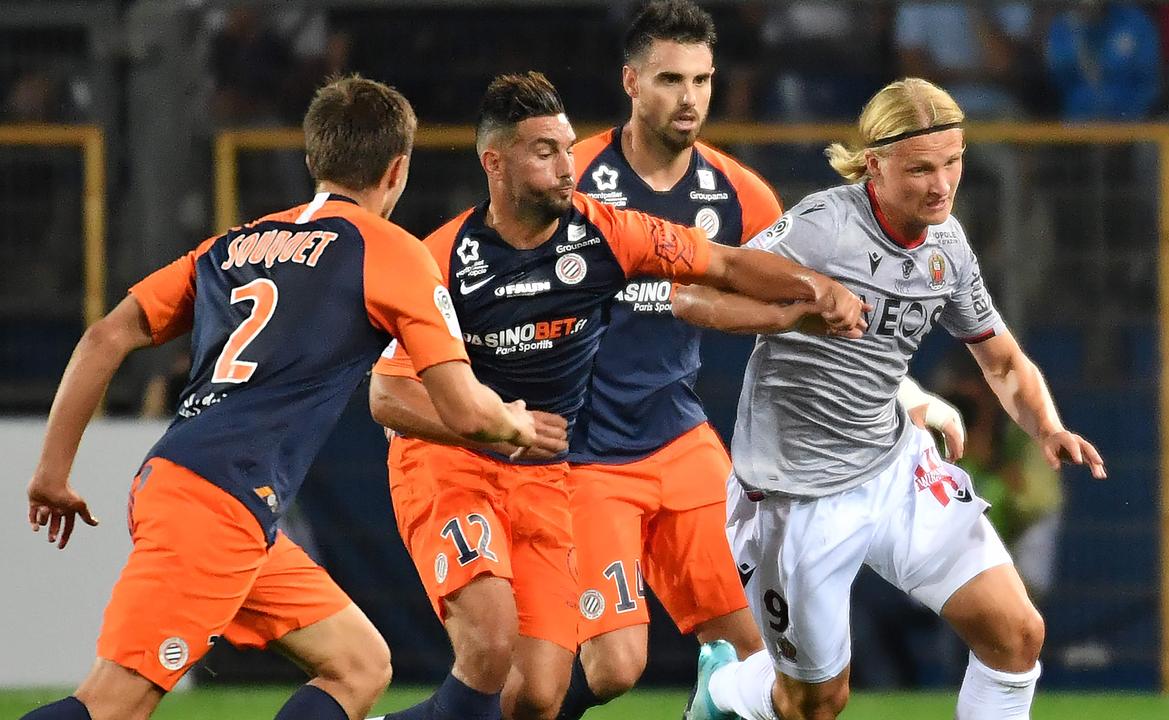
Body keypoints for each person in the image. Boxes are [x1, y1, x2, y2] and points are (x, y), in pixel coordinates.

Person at [20, 75, 538, 720]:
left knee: (359, 664)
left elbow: (106, 335)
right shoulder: (392, 251)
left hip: (199, 486)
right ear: (398, 169)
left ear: (312, 160)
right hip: (218, 501)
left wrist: (51, 473)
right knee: (112, 703)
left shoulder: (232, 244)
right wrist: (516, 423)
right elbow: (464, 409)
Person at [364, 71, 866, 720]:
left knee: (537, 695)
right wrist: (490, 425)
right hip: (450, 464)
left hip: (545, 474)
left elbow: (724, 264)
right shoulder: (442, 258)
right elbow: (387, 397)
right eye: (544, 151)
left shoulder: (605, 232)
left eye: (568, 147)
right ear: (495, 162)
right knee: (491, 645)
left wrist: (812, 290)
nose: (566, 166)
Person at [559, 4, 964, 719]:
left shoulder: (740, 194)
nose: (689, 98)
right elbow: (495, 280)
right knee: (617, 667)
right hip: (585, 453)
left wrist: (910, 397)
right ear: (630, 81)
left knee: (760, 656)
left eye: (703, 80)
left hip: (679, 440)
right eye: (670, 79)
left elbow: (827, 324)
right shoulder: (572, 181)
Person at [681, 78, 1106, 720]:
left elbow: (1002, 359)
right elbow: (699, 292)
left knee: (1017, 636)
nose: (942, 185)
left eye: (953, 162)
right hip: (798, 496)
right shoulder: (824, 229)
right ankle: (722, 692)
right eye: (921, 169)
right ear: (874, 163)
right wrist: (800, 311)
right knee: (818, 702)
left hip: (891, 467)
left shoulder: (947, 245)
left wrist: (1047, 427)